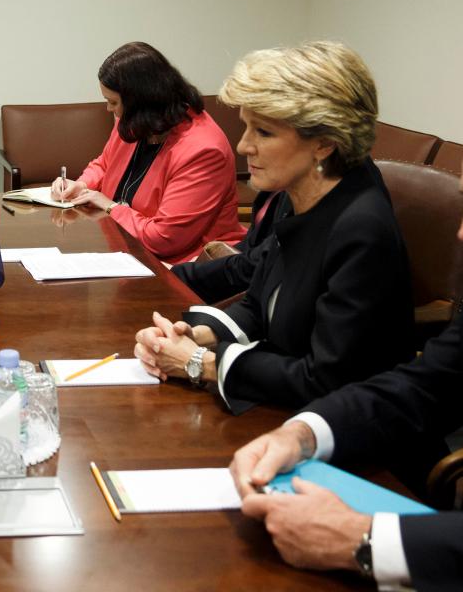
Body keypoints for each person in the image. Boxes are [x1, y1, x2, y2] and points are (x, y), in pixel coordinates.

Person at [134, 42, 416, 414]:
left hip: (353, 439)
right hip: (284, 405)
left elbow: (325, 379)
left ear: (325, 143)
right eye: (247, 127)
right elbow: (258, 304)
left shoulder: (362, 229)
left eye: (263, 132)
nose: (243, 145)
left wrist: (199, 364)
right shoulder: (297, 192)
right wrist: (193, 336)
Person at [229, 161, 463, 590]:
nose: (461, 234)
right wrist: (302, 433)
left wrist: (368, 541)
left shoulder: (359, 220)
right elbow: (424, 384)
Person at [50, 42, 245, 263]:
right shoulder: (137, 120)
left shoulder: (203, 151)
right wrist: (83, 185)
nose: (109, 109)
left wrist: (110, 207)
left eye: (113, 102)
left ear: (141, 101)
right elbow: (105, 163)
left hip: (185, 267)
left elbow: (163, 239)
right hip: (130, 250)